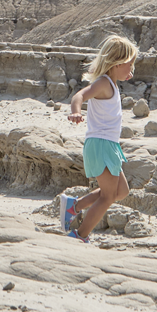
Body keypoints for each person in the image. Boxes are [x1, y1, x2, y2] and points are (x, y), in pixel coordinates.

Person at [59, 35, 138, 242]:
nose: (132, 69)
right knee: (108, 196)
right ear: (116, 63)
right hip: (101, 144)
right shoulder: (103, 83)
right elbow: (80, 96)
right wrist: (76, 111)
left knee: (120, 191)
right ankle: (80, 235)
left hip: (108, 144)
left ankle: (73, 207)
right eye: (129, 64)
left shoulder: (111, 83)